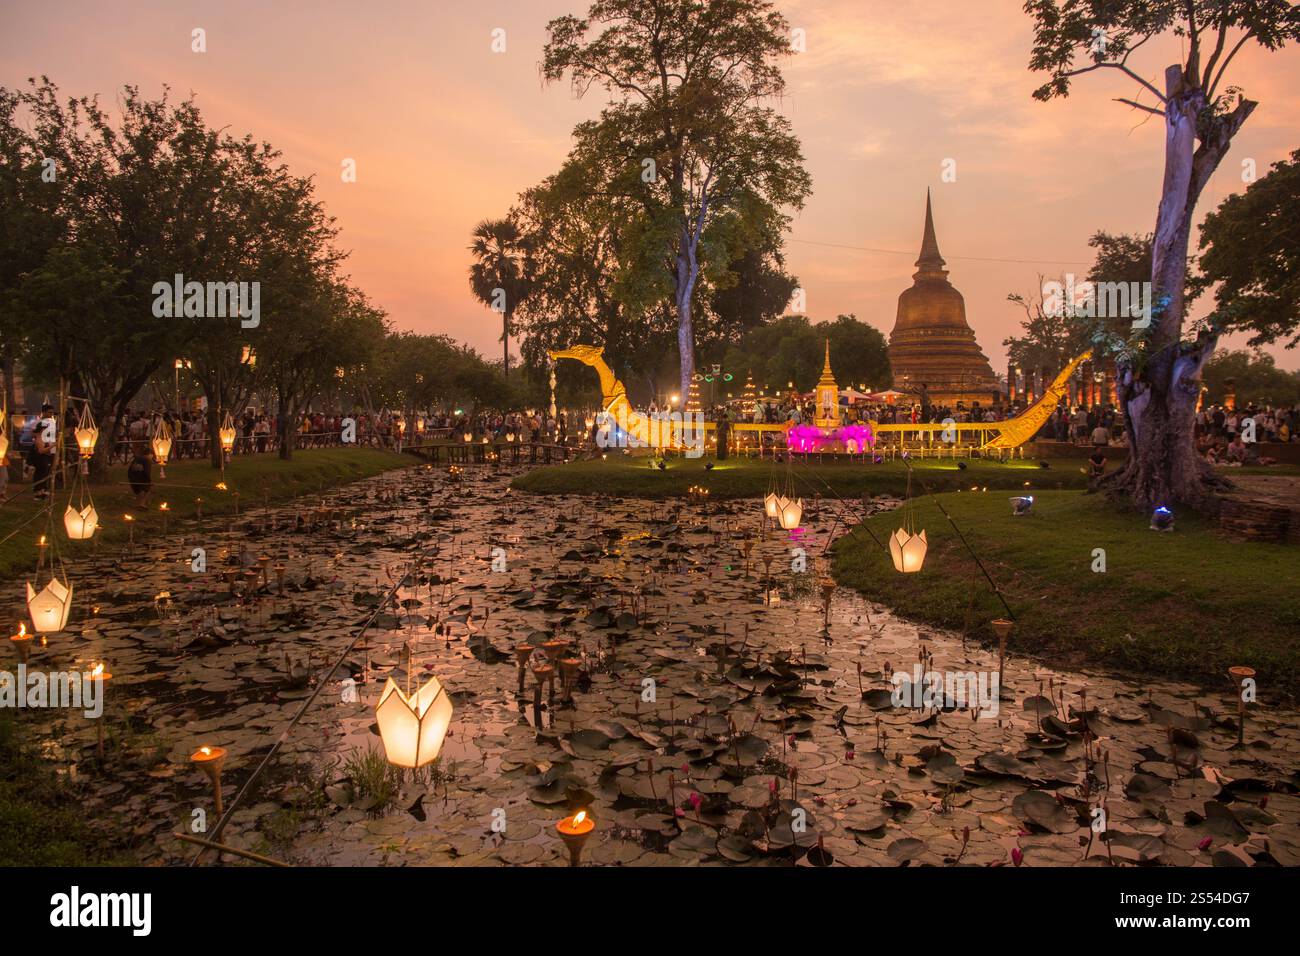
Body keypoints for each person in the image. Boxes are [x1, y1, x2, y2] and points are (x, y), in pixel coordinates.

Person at [29, 403, 57, 500]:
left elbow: (52, 438)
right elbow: (32, 434)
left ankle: (44, 489)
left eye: (52, 413)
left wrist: (53, 449)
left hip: (50, 450)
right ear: (44, 412)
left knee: (46, 471)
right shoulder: (38, 423)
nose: (51, 414)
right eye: (49, 412)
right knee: (40, 471)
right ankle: (38, 491)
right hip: (41, 450)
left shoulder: (52, 423)